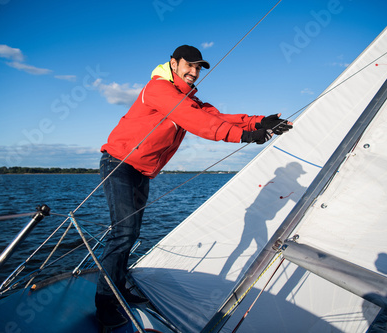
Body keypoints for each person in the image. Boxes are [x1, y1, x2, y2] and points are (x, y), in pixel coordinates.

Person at [95, 45, 293, 328]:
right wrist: (247, 136)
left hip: (141, 170)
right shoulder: (159, 89)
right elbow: (199, 123)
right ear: (174, 63)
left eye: (199, 68)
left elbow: (218, 117)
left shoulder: (186, 97)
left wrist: (260, 121)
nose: (195, 72)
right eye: (190, 65)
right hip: (120, 164)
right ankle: (105, 303)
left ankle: (119, 284)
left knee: (130, 232)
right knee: (123, 233)